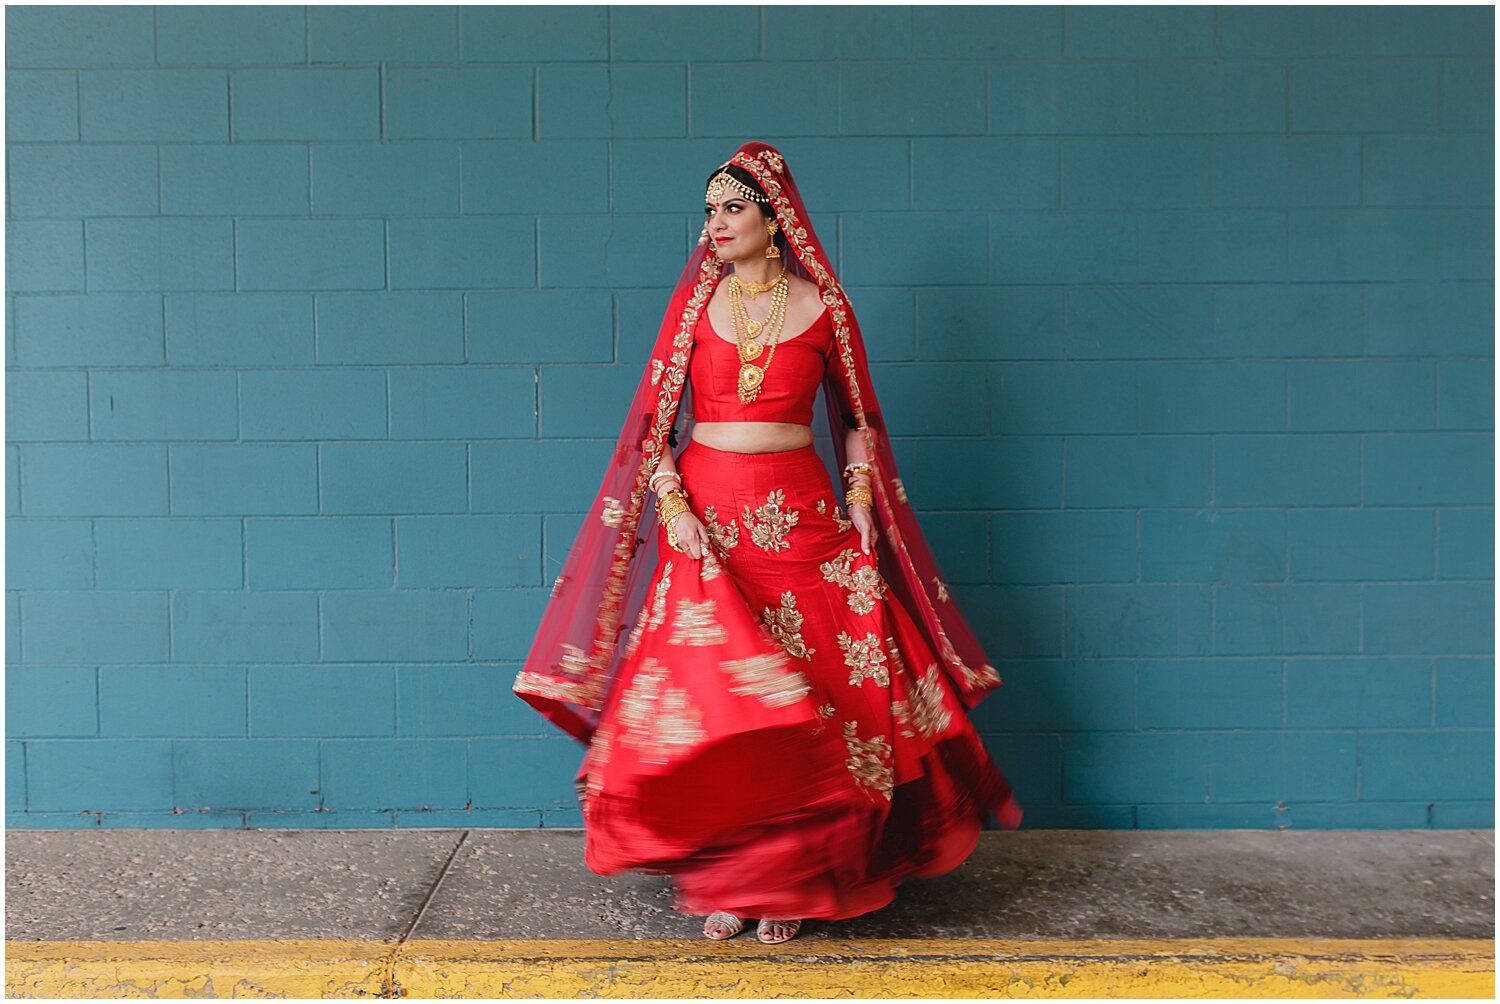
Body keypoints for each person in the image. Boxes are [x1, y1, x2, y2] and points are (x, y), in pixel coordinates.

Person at [514, 141, 1022, 945]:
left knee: (821, 688)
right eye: (710, 210)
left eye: (732, 209)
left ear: (773, 220)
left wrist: (859, 505)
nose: (715, 224)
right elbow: (655, 427)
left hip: (804, 516)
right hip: (710, 521)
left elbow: (858, 423)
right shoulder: (694, 308)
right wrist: (673, 505)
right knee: (727, 702)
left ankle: (794, 881)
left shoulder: (827, 309)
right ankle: (735, 876)